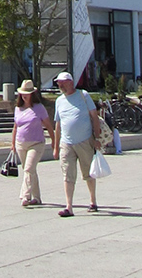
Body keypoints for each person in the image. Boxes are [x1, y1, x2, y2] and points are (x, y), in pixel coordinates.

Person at [51, 70, 102, 217]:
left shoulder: (83, 95)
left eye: (62, 83)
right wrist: (55, 146)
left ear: (70, 82)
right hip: (66, 143)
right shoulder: (59, 101)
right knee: (67, 174)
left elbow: (94, 117)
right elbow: (58, 125)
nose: (60, 85)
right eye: (58, 83)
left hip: (85, 141)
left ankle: (92, 200)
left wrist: (96, 138)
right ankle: (69, 206)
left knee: (88, 173)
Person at [10, 80, 54, 208]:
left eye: (27, 93)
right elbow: (15, 127)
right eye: (22, 93)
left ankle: (25, 195)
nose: (24, 96)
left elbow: (48, 126)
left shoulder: (39, 108)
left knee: (28, 168)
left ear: (32, 94)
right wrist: (13, 143)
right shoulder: (18, 109)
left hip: (36, 143)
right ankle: (37, 197)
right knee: (29, 170)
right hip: (21, 144)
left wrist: (54, 142)